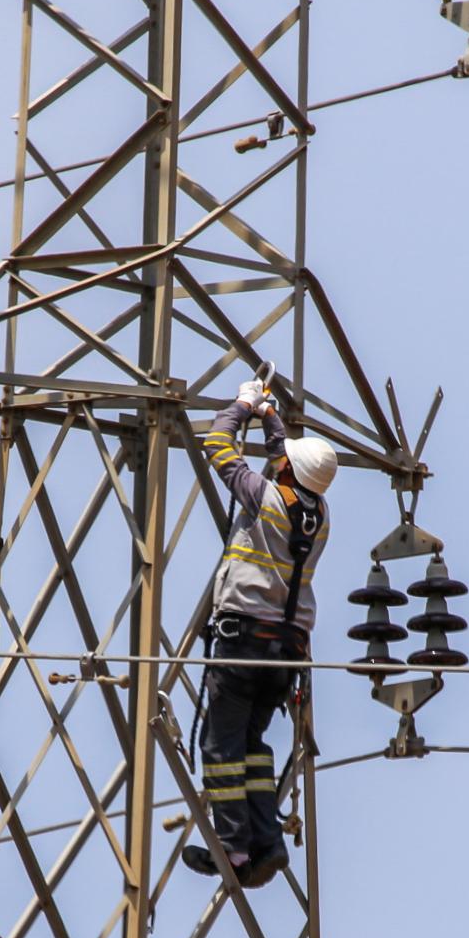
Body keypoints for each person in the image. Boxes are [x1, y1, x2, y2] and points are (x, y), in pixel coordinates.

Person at [186, 378, 338, 887]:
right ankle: (266, 844)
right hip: (288, 649)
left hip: (243, 642)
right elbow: (284, 458)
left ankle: (232, 849)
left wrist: (243, 405)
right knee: (250, 746)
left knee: (219, 748)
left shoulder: (264, 498)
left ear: (289, 470)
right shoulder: (321, 514)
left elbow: (217, 444)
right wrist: (271, 415)